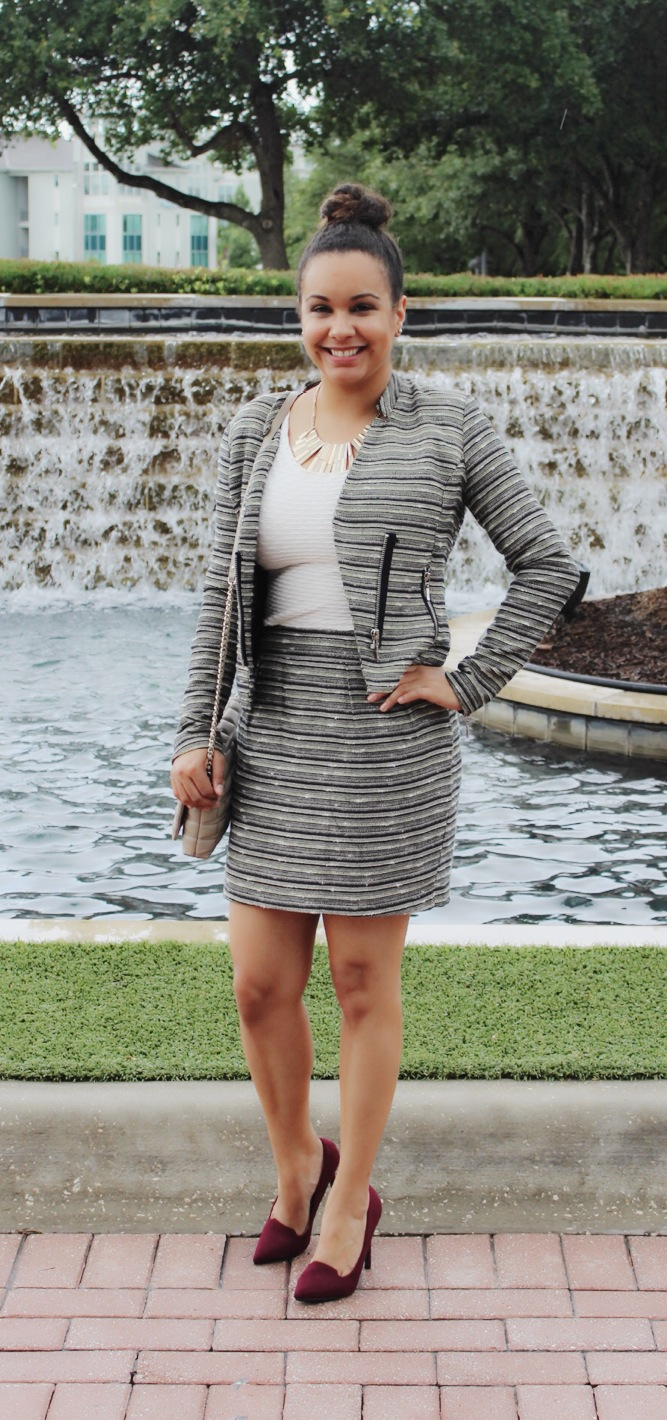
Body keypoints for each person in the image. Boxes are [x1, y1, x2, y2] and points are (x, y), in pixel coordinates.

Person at [171, 183, 579, 1303]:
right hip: (271, 729)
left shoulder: (451, 428)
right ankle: (297, 1169)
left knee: (360, 980)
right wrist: (195, 731)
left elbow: (547, 565)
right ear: (299, 317)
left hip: (386, 737)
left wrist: (465, 680)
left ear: (401, 313)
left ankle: (350, 1201)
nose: (338, 329)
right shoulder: (254, 430)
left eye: (361, 307)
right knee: (260, 987)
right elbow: (219, 597)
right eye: (319, 309)